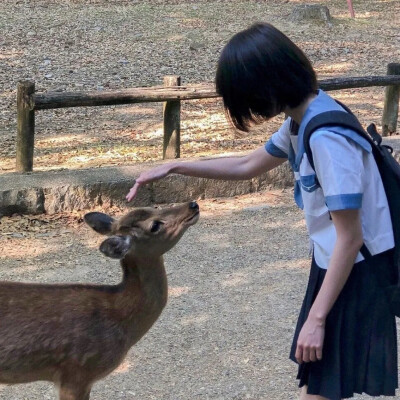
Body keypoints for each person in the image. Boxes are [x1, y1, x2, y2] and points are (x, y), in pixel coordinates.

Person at [125, 23, 398, 400]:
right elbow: (245, 166)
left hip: (355, 269)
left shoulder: (326, 138)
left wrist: (317, 318)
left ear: (267, 85)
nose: (248, 108)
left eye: (245, 96)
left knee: (322, 382)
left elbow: (351, 238)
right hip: (334, 263)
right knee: (323, 383)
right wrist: (175, 166)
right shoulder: (302, 118)